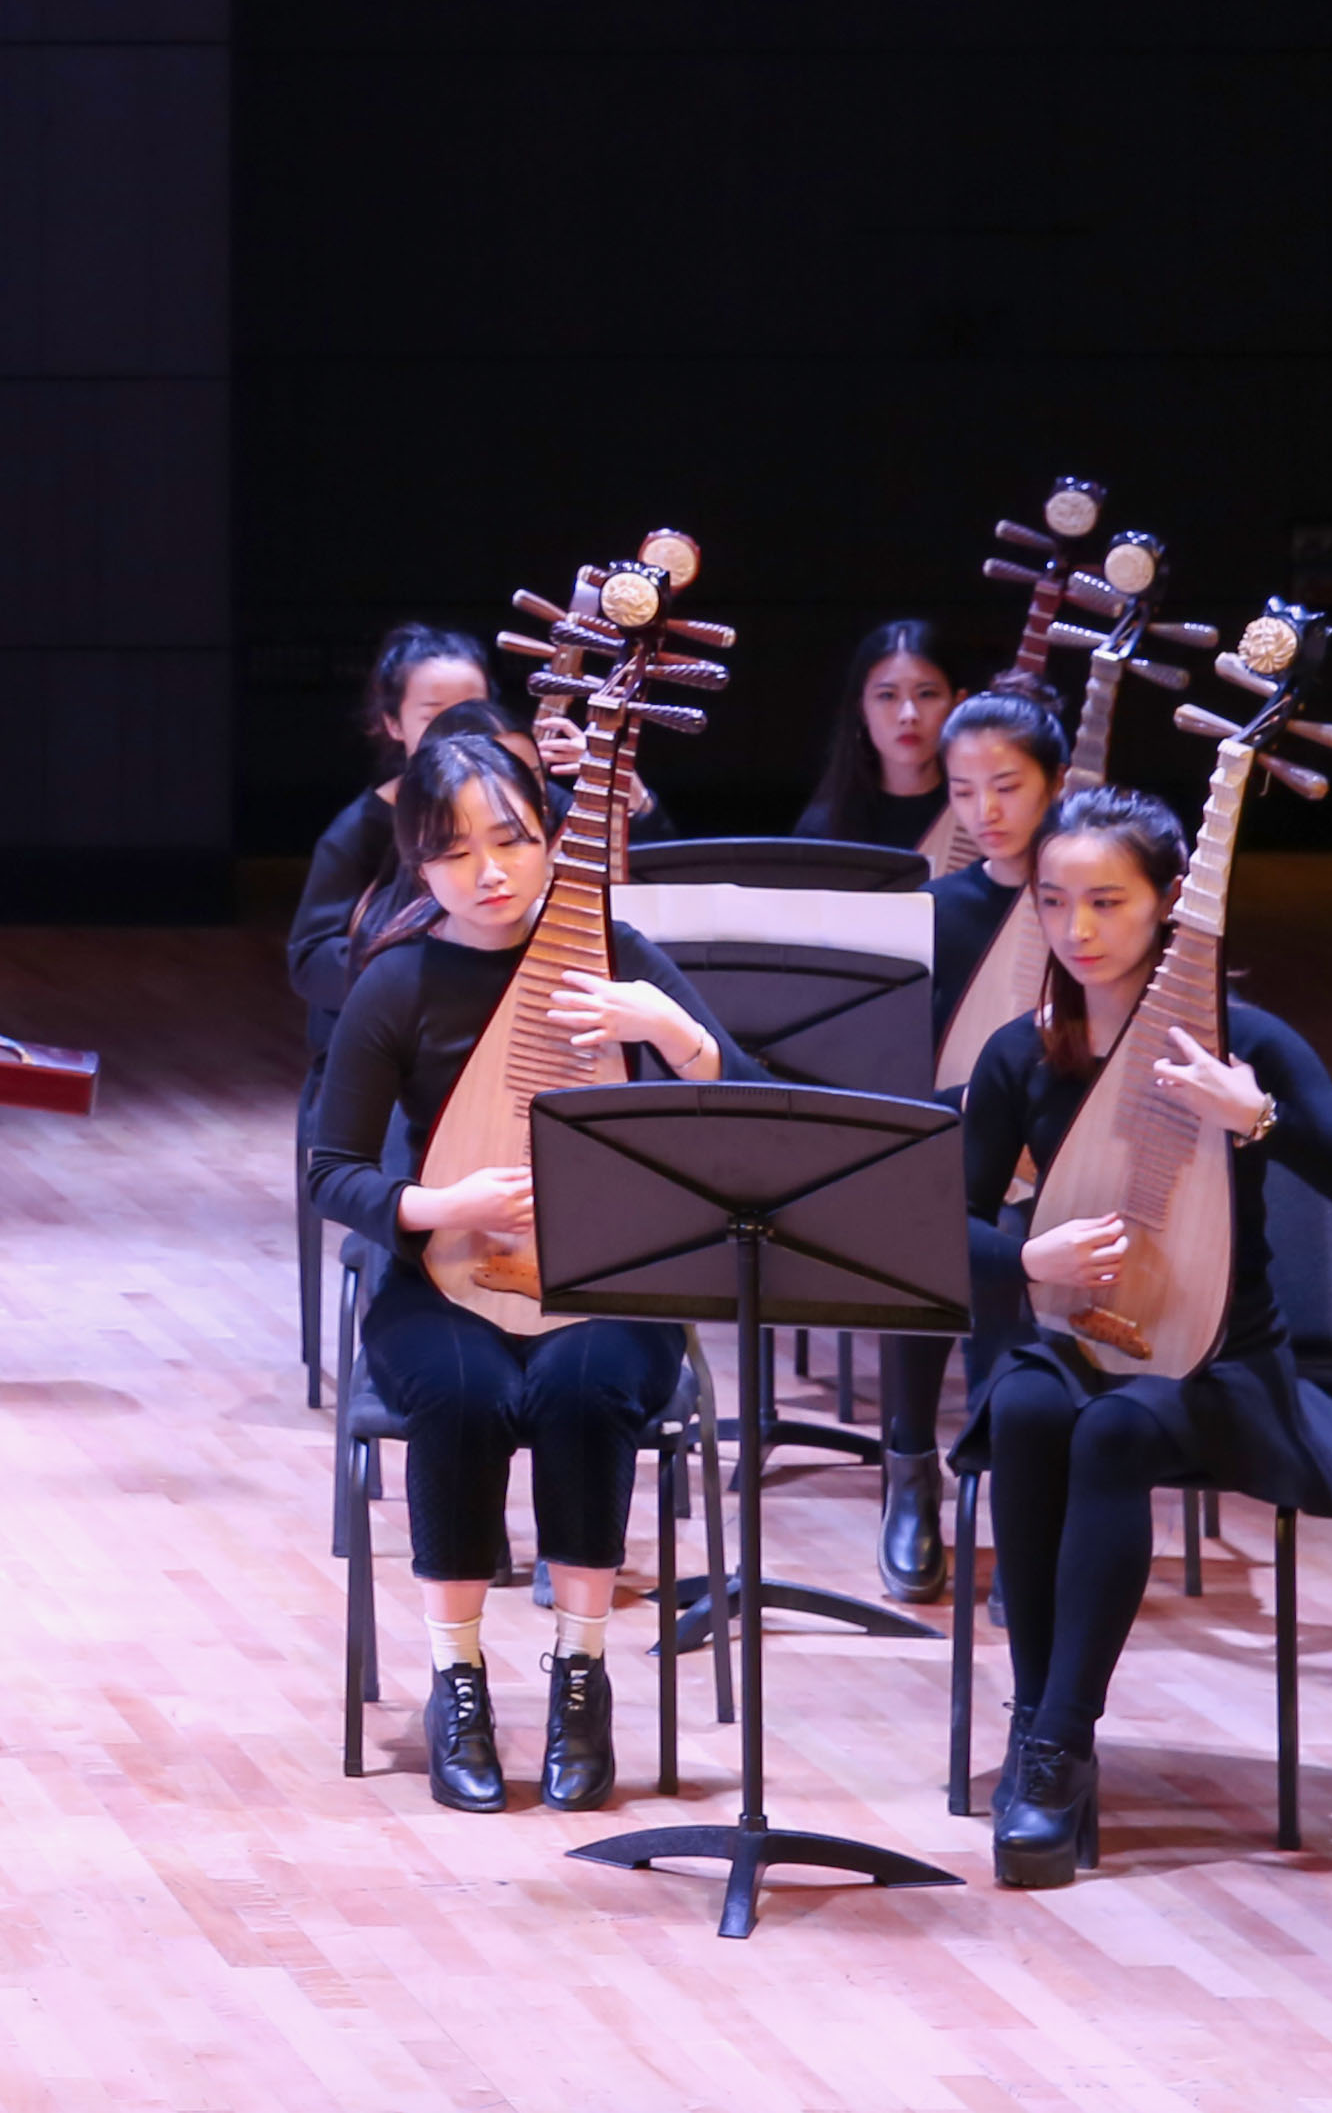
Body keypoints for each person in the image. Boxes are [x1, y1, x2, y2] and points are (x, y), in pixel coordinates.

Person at [960, 788, 1332, 1887]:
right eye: (1054, 901)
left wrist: (1257, 1118)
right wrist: (1028, 1259)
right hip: (1072, 1339)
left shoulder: (1246, 1043)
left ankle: (1058, 1750)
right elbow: (942, 1224)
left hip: (1221, 1360)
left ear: (1168, 901)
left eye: (1107, 901)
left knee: (1114, 1431)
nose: (1077, 928)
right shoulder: (1023, 1053)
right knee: (1028, 1407)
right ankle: (1038, 1723)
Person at [303, 730, 738, 1817]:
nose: (489, 871)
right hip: (443, 1275)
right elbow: (331, 1169)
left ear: (551, 837)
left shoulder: (613, 953)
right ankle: (457, 1681)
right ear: (418, 862)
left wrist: (671, 1029)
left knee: (584, 1388)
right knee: (462, 1395)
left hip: (608, 1278)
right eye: (454, 852)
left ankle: (580, 1675)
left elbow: (747, 1111)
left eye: (510, 840)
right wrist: (442, 1206)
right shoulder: (398, 982)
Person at [869, 684, 1073, 1599]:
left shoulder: (1085, 907)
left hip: (1068, 1165)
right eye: (962, 791)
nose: (985, 811)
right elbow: (892, 1065)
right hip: (955, 1149)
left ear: (1056, 783)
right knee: (926, 1229)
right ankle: (911, 1468)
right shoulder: (933, 910)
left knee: (1018, 1244)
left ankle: (1018, 1501)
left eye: (1008, 786)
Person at [286, 625, 496, 1047]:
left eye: (472, 711)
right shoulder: (363, 829)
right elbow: (309, 962)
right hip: (386, 1047)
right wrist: (421, 973)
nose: (457, 729)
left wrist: (629, 804)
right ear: (394, 724)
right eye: (433, 715)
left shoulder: (522, 805)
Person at [799, 620, 965, 854]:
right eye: (887, 696)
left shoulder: (983, 817)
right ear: (861, 710)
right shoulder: (823, 828)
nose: (909, 715)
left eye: (927, 694)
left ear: (958, 703)